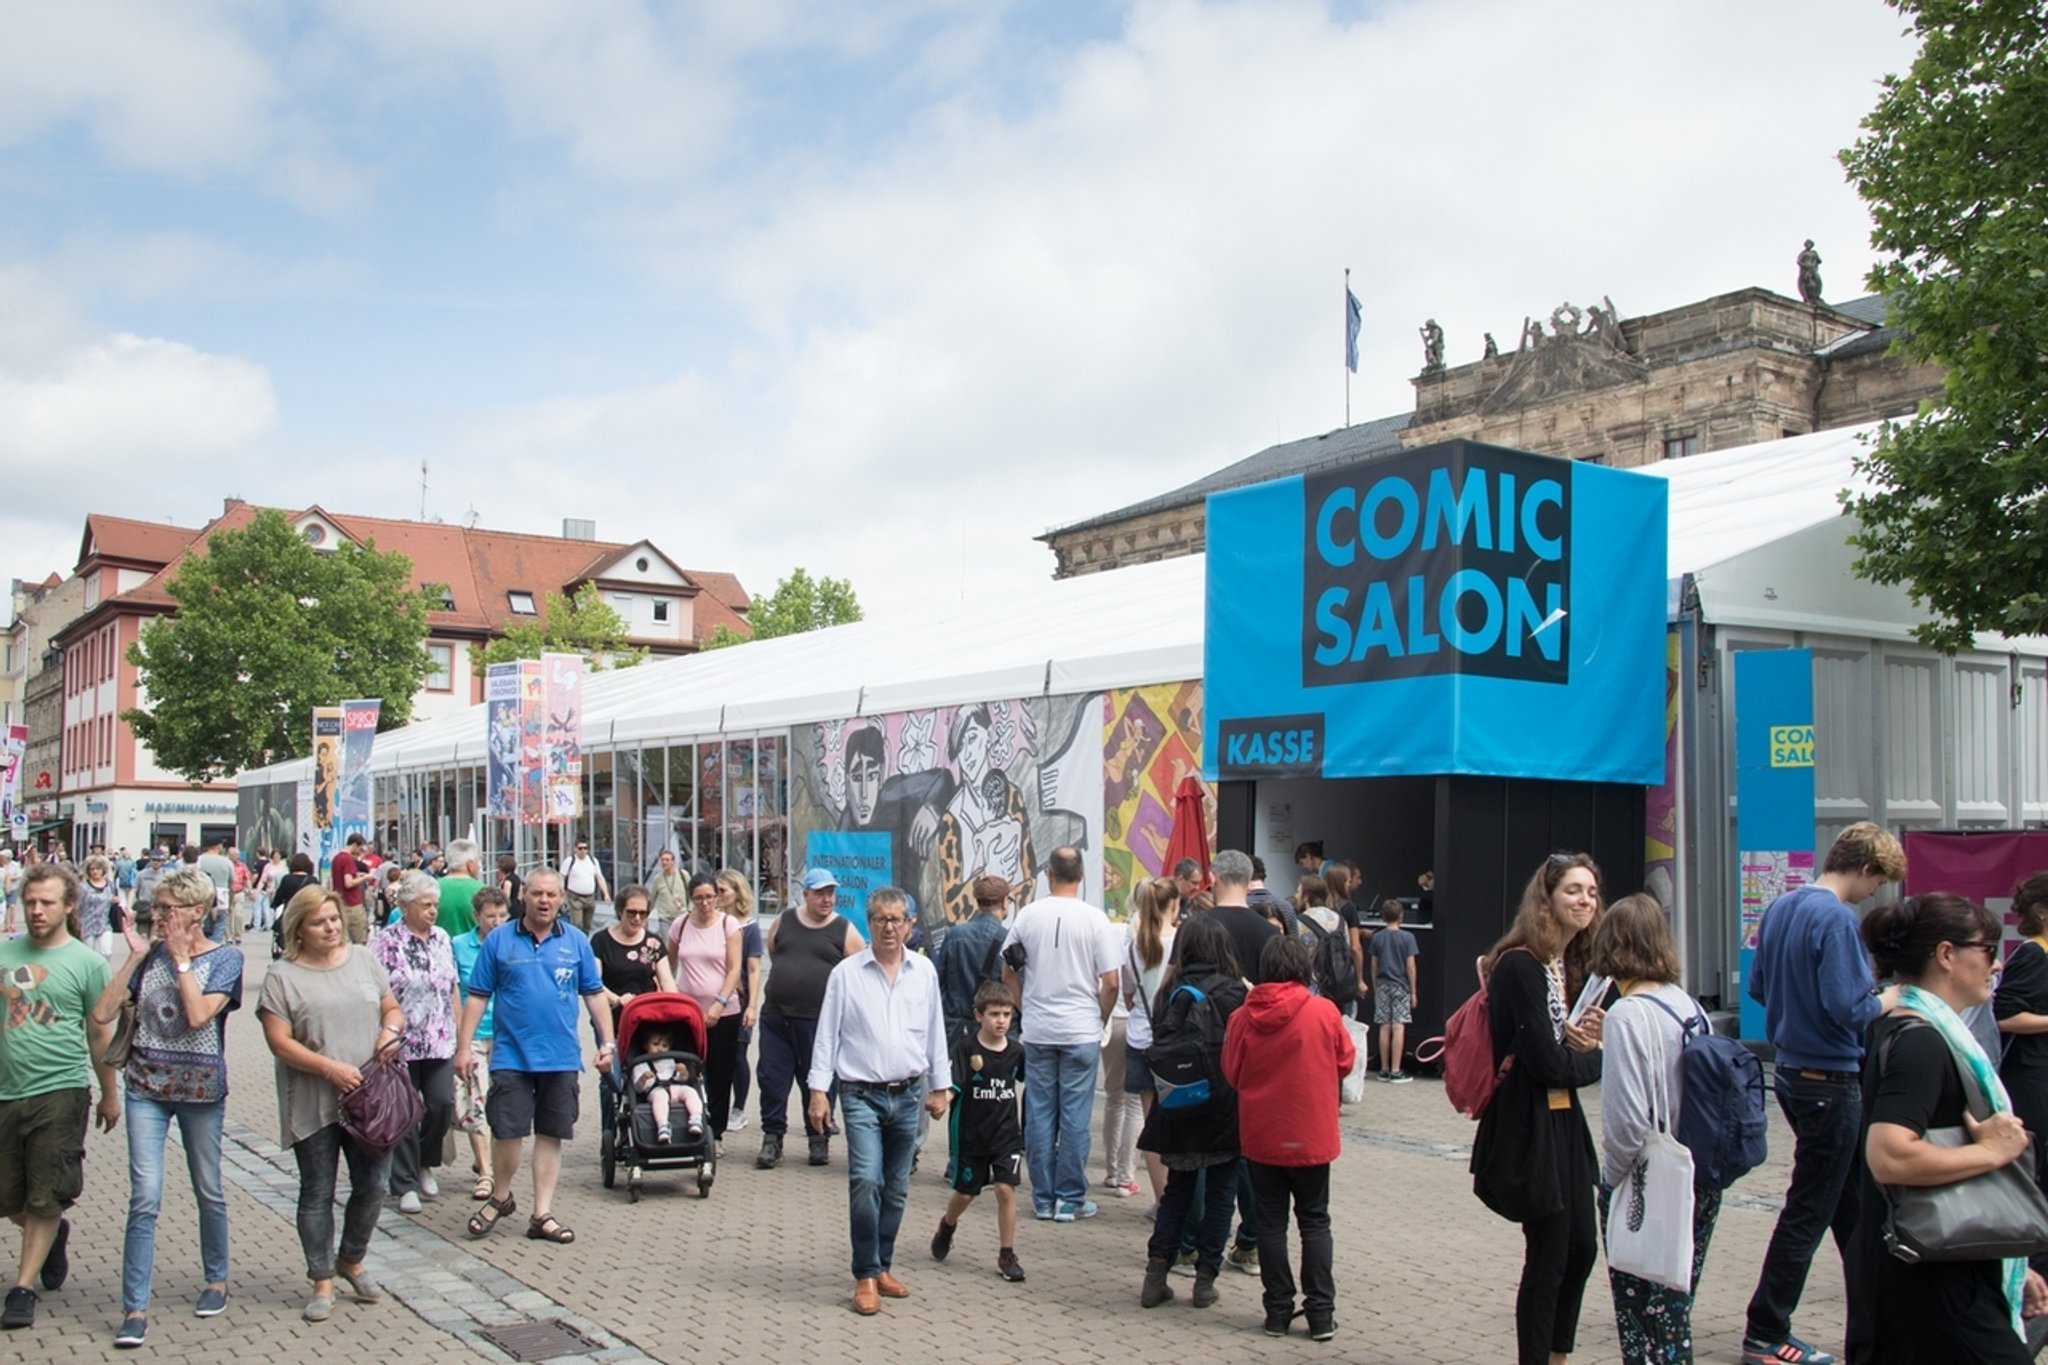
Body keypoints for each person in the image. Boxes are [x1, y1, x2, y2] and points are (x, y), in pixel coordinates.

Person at [1847, 891, 2048, 1364]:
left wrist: (2006, 1264)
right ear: (1946, 955)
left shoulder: (1906, 1027)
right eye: (1989, 951)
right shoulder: (1921, 1042)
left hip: (1934, 1256)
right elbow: (1889, 1155)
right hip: (1928, 1273)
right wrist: (1994, 1151)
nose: (1997, 966)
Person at [1743, 822, 1907, 1365]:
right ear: (1865, 868)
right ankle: (1766, 1329)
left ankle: (1876, 1318)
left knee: (1850, 1207)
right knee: (1811, 1209)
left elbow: (1759, 988)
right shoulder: (1836, 918)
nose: (1874, 895)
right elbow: (1851, 1008)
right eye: (1878, 883)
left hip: (1791, 1073)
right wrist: (1892, 998)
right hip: (1831, 1079)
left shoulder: (1783, 906)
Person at [93, 866, 244, 1348]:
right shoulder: (150, 954)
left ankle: (216, 1279)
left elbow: (199, 1015)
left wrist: (181, 963)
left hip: (200, 1091)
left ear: (196, 913)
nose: (156, 916)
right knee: (145, 1197)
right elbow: (101, 1014)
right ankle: (134, 1308)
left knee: (208, 1187)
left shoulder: (227, 959)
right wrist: (134, 961)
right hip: (145, 1088)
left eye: (167, 909)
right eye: (155, 908)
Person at [1469, 852, 1606, 1365]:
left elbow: (1560, 1054)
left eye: (1591, 892)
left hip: (1564, 1119)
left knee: (1582, 1248)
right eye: (1573, 890)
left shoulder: (1563, 964)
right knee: (1549, 1254)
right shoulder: (1522, 965)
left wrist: (1581, 1050)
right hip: (1530, 1125)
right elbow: (1549, 1063)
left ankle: (1557, 1354)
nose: (1585, 901)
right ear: (1546, 899)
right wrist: (1594, 1057)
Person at [257, 885, 405, 1322]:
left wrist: (389, 1032)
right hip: (315, 1098)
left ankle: (351, 1258)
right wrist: (328, 1068)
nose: (331, 927)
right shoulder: (282, 976)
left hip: (370, 1098)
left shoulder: (363, 959)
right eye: (320, 922)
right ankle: (321, 1278)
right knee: (317, 1190)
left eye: (335, 919)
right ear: (298, 929)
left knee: (374, 1185)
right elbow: (278, 1042)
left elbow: (391, 1007)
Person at [1589, 893, 1724, 1365]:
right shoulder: (1687, 1006)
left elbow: (1625, 1121)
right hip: (1697, 1174)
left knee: (1642, 1316)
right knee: (1674, 1303)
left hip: (1649, 1180)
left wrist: (1609, 1182)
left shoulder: (1627, 1014)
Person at [805, 886, 951, 1315]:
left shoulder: (923, 971)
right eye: (881, 919)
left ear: (910, 925)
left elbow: (935, 1031)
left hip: (908, 1094)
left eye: (897, 919)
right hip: (860, 1094)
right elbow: (826, 1035)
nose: (889, 927)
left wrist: (941, 1087)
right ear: (869, 925)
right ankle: (865, 1274)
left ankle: (883, 1264)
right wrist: (818, 1092)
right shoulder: (847, 974)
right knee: (866, 1180)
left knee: (897, 1187)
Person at [454, 869, 614, 1246]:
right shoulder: (499, 941)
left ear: (562, 899)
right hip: (511, 1054)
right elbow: (476, 996)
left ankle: (541, 1213)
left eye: (552, 895)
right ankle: (500, 1196)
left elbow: (593, 995)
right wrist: (463, 1048)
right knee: (507, 1131)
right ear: (522, 895)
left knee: (550, 1133)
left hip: (560, 1057)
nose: (545, 901)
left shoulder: (576, 941)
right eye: (537, 893)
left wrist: (607, 1043)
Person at [0, 864, 118, 1332]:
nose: (37, 910)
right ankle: (53, 1235)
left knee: (46, 1192)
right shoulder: (4, 953)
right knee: (10, 1197)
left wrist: (109, 1094)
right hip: (6, 1090)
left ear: (69, 905)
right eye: (30, 902)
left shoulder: (88, 963)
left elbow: (98, 1033)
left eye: (47, 902)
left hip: (62, 1089)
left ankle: (23, 1288)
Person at [1223, 935, 1354, 1341]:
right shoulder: (1324, 1012)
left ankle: (1277, 1310)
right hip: (1311, 1131)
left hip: (1264, 1132)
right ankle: (1320, 1313)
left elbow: (1232, 1071)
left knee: (1270, 1223)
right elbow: (1345, 1061)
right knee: (1315, 1221)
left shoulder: (1243, 1017)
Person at [1001, 846, 1119, 1222]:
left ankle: (1043, 1197)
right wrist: (1098, 1016)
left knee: (1038, 1113)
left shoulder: (1027, 917)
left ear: (1048, 875)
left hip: (1038, 1029)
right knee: (1074, 1116)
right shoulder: (1096, 920)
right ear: (1081, 876)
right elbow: (1112, 982)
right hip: (1080, 1028)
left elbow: (1007, 972)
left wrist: (1024, 1008)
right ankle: (1070, 1198)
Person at [1137, 914, 1248, 1311]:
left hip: (1178, 1102)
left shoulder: (1170, 990)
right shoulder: (1235, 992)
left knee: (1177, 1192)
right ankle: (1205, 1280)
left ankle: (1156, 1273)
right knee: (1221, 1193)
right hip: (1222, 1103)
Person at [755, 868, 862, 1169]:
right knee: (772, 1079)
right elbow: (774, 951)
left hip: (818, 1022)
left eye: (831, 893)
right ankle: (772, 1138)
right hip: (776, 1017)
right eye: (820, 893)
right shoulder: (785, 921)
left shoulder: (843, 928)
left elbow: (857, 972)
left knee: (816, 1081)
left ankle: (819, 1139)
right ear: (806, 895)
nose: (827, 899)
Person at [369, 870, 459, 1215]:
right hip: (401, 1040)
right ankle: (403, 1181)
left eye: (435, 905)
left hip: (438, 1037)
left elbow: (451, 986)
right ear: (406, 905)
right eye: (425, 905)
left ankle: (425, 1162)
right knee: (405, 1111)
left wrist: (459, 1031)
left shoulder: (441, 939)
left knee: (440, 1104)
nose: (432, 911)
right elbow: (376, 990)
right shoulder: (386, 941)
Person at [930, 979, 1027, 1283]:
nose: (1001, 1021)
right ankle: (947, 1225)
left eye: (1007, 1015)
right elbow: (954, 1084)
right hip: (972, 1134)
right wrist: (942, 1100)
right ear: (978, 1016)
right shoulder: (966, 1048)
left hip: (1006, 1134)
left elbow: (1028, 1083)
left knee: (1005, 1189)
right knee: (966, 1193)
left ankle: (1007, 1253)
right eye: (995, 1014)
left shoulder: (1017, 1052)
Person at [666, 872, 743, 1143]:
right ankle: (687, 1124)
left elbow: (735, 969)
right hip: (687, 1013)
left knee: (719, 1074)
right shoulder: (681, 925)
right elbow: (669, 964)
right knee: (686, 1069)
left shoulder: (728, 925)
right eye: (699, 898)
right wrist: (670, 995)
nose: (705, 903)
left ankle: (716, 1133)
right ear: (691, 899)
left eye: (710, 897)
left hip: (724, 1012)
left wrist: (719, 1005)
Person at [1995, 871, 2048, 1247]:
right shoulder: (2033, 953)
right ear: (2042, 912)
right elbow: (2006, 1014)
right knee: (2037, 1176)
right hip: (2031, 1080)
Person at [1121, 876, 1180, 1207]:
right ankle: (1180, 1198)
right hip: (1173, 1041)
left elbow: (1128, 997)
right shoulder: (1182, 943)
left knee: (1151, 1125)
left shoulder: (1132, 947)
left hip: (1141, 1038)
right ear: (1174, 904)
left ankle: (1163, 1202)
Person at [450, 886, 509, 1201]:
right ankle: (486, 1172)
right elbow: (453, 992)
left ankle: (490, 1161)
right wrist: (461, 1037)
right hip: (473, 1034)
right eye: (490, 916)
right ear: (477, 917)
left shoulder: (513, 943)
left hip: (506, 1034)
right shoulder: (460, 946)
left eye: (501, 915)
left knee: (502, 1105)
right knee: (477, 1100)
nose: (496, 922)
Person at [936, 874, 1011, 1040]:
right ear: (1005, 902)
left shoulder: (954, 936)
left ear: (977, 902)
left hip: (956, 1031)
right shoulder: (1008, 940)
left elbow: (939, 983)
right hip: (995, 1033)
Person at [716, 870, 763, 1129]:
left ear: (737, 893)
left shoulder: (749, 927)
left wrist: (753, 1005)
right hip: (714, 993)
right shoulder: (713, 921)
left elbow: (754, 968)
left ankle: (738, 1108)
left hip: (739, 997)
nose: (719, 896)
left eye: (723, 891)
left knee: (737, 1053)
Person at [591, 885, 676, 1026]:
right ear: (620, 910)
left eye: (643, 913)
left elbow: (667, 980)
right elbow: (595, 983)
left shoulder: (654, 942)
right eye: (631, 912)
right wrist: (618, 1000)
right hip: (610, 1017)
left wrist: (674, 1005)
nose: (637, 918)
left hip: (646, 1017)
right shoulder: (600, 941)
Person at [1371, 900, 1421, 1082]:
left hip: (1383, 984)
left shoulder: (1377, 938)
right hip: (1400, 985)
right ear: (1401, 916)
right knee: (1398, 1026)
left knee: (1384, 1025)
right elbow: (1411, 966)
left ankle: (1383, 1068)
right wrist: (1413, 991)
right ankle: (1396, 1069)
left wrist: (1376, 987)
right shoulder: (1408, 938)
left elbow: (1374, 965)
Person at [631, 1027, 704, 1144]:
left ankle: (696, 1118)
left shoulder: (670, 1060)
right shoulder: (641, 1064)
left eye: (664, 1046)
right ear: (646, 1045)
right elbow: (638, 1089)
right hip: (655, 1090)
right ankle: (663, 1125)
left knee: (690, 1092)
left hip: (674, 1087)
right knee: (661, 1097)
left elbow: (681, 1079)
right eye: (655, 1044)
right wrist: (643, 1079)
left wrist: (683, 1072)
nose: (659, 1049)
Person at [76, 854, 122, 958]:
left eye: (98, 869)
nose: (95, 871)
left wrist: (114, 901)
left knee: (106, 952)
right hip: (87, 925)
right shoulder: (82, 887)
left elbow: (114, 899)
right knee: (88, 955)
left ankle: (103, 973)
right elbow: (76, 905)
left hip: (104, 924)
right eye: (92, 869)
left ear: (103, 870)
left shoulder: (110, 885)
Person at [559, 839, 609, 934]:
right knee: (577, 924)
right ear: (575, 849)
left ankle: (584, 942)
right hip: (575, 897)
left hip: (590, 897)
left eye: (585, 848)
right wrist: (560, 892)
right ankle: (577, 942)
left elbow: (599, 877)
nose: (583, 851)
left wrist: (606, 893)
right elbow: (561, 877)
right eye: (580, 848)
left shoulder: (593, 861)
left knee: (587, 924)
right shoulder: (570, 861)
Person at [436, 839, 484, 939]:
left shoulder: (432, 887)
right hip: (473, 951)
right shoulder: (483, 890)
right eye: (478, 861)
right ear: (470, 865)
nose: (480, 866)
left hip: (439, 950)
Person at [330, 834, 372, 944]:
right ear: (354, 845)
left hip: (340, 903)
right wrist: (365, 878)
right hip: (352, 904)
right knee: (360, 941)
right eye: (360, 848)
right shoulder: (348, 859)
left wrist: (357, 875)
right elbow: (348, 883)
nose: (360, 852)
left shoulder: (337, 858)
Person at [648, 849, 689, 931]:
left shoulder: (683, 875)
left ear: (673, 862)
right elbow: (652, 898)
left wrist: (691, 910)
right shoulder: (657, 879)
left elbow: (692, 892)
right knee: (666, 942)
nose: (664, 862)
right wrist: (646, 914)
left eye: (667, 860)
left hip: (681, 916)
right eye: (662, 860)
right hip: (665, 918)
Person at [495, 854, 524, 919]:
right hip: (518, 906)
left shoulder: (507, 881)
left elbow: (506, 897)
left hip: (511, 909)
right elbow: (520, 893)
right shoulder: (517, 878)